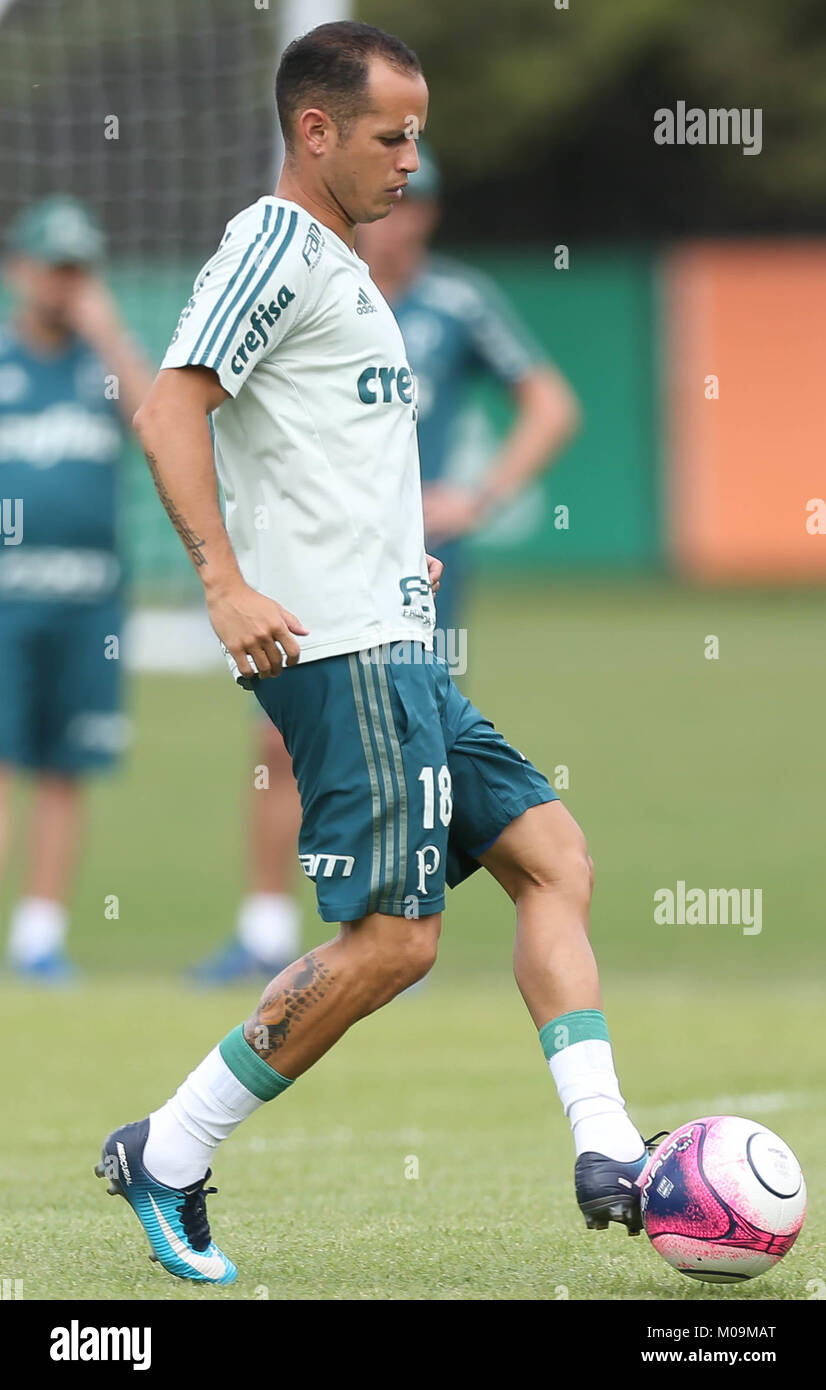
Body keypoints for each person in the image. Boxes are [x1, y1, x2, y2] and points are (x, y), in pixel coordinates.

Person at [96, 21, 651, 1286]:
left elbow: (320, 457)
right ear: (315, 131)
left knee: (552, 856)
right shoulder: (275, 245)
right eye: (391, 135)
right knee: (395, 941)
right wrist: (222, 584)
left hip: (396, 633)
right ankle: (169, 1151)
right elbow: (172, 404)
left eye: (418, 132)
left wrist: (400, 553)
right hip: (340, 651)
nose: (413, 158)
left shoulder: (347, 269)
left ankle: (607, 1148)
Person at [191, 141, 580, 984]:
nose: (401, 217)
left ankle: (395, 919)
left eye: (418, 203)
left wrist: (476, 495)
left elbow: (551, 402)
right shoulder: (310, 282)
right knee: (281, 742)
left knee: (412, 739)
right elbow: (183, 406)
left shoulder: (455, 304)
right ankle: (273, 925)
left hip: (415, 569)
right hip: (315, 566)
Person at [0, 196, 153, 982]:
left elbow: (160, 428)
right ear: (20, 270)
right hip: (6, 599)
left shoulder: (107, 368)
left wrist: (111, 336)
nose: (66, 284)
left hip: (90, 599)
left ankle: (40, 937)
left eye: (79, 270)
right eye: (54, 268)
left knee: (67, 768)